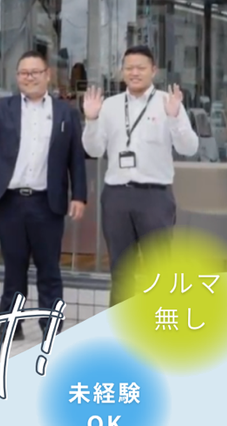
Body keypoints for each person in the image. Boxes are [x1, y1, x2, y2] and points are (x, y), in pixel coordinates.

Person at [0, 51, 88, 344]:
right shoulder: (2, 107)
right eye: (23, 73)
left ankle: (51, 327)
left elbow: (76, 158)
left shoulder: (65, 112)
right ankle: (10, 326)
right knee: (13, 267)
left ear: (47, 75)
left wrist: (79, 195)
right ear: (17, 77)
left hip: (47, 202)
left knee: (49, 269)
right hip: (10, 201)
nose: (29, 77)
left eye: (35, 72)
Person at [82, 45, 199, 306]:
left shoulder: (167, 103)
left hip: (154, 197)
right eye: (129, 68)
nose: (134, 73)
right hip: (116, 197)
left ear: (153, 71)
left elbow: (189, 148)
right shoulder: (110, 106)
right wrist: (91, 120)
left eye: (141, 68)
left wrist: (175, 118)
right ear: (122, 71)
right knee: (121, 271)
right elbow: (94, 150)